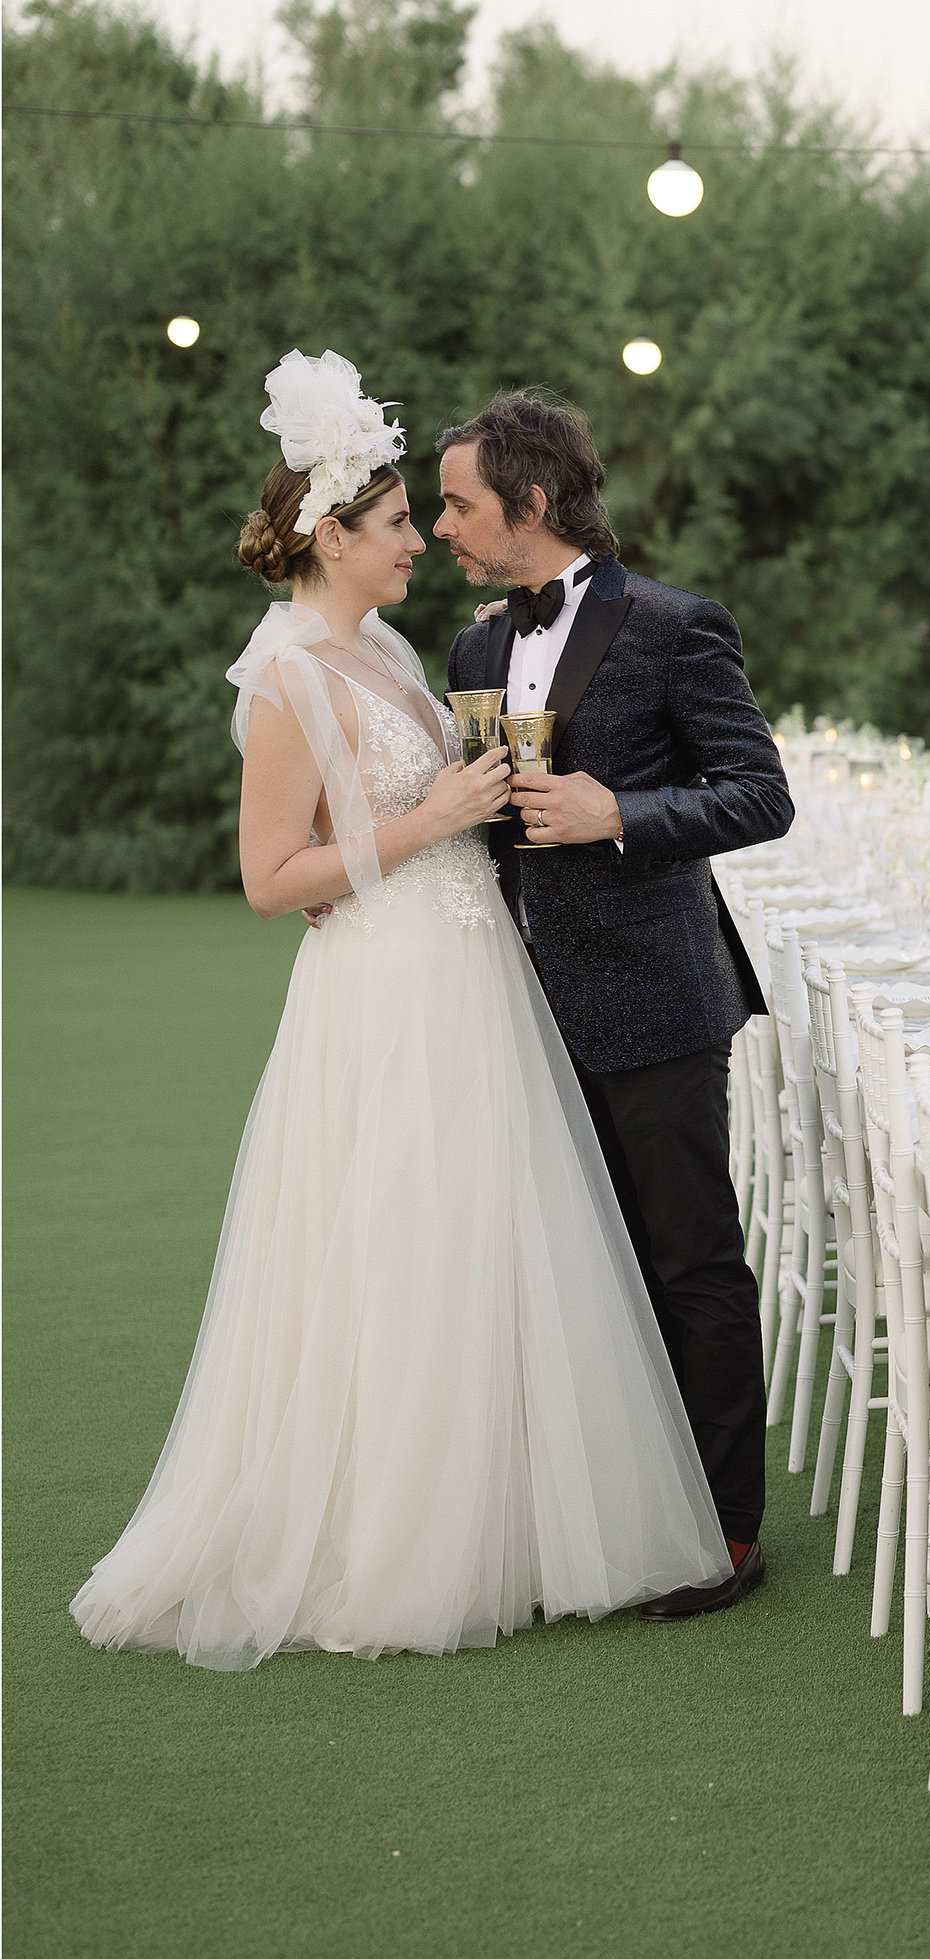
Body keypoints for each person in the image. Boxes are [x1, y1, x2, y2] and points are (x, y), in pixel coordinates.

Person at [70, 351, 734, 1670]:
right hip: (382, 988)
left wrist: (494, 805)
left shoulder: (380, 644)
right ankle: (395, 1544)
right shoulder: (284, 677)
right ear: (333, 536)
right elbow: (270, 878)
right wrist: (424, 819)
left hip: (474, 966)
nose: (420, 542)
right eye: (393, 524)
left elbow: (431, 804)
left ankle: (512, 1520)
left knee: (486, 1240)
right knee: (397, 1249)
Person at [437, 391, 792, 1619]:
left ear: (531, 505)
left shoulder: (678, 627)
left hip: (657, 999)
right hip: (517, 1009)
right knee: (573, 1268)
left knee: (688, 1261)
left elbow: (758, 796)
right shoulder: (477, 647)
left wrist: (621, 814)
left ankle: (727, 1534)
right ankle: (605, 1520)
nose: (442, 526)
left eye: (459, 503)